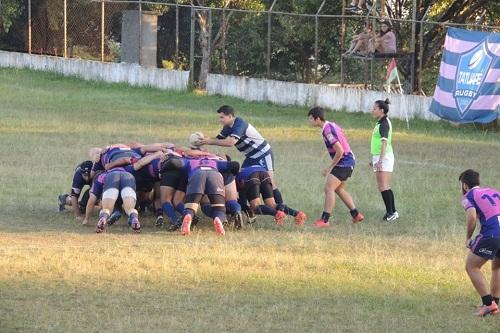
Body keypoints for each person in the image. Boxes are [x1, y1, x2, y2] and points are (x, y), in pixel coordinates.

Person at [199, 105, 306, 226]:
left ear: (230, 116)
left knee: (271, 184)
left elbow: (230, 142)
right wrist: (205, 141)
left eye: (222, 117)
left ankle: (279, 213)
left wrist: (209, 141)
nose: (220, 120)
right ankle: (249, 214)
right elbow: (218, 139)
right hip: (250, 157)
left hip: (263, 153)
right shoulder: (227, 127)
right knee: (242, 182)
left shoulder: (239, 123)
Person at [307, 107, 364, 227]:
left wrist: (330, 167)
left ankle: (325, 220)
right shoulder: (331, 125)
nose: (309, 121)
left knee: (329, 188)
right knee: (338, 189)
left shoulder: (327, 131)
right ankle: (356, 215)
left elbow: (340, 151)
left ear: (317, 119)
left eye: (311, 119)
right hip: (348, 161)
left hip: (344, 162)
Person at [459, 169, 500, 316]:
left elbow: (471, 218)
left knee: (471, 266)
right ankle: (495, 302)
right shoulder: (492, 191)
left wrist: (468, 238)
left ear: (464, 185)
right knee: (497, 267)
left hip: (492, 234)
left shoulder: (468, 196)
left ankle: (489, 304)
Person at [370, 98, 398, 221]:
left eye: (375, 108)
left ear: (381, 110)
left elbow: (384, 143)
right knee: (384, 185)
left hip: (384, 157)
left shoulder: (384, 123)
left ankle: (390, 213)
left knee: (383, 186)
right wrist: (375, 159)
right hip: (380, 156)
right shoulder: (381, 122)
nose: (372, 110)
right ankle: (393, 212)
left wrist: (380, 161)